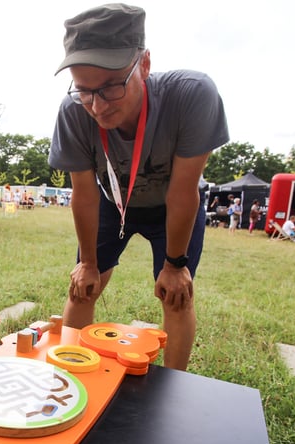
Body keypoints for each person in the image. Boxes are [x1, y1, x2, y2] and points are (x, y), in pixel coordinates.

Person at [50, 4, 229, 371]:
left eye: (111, 87)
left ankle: (174, 388)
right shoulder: (73, 113)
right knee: (83, 286)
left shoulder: (192, 96)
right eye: (84, 91)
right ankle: (67, 377)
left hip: (171, 206)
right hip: (111, 202)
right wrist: (87, 262)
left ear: (143, 65)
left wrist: (176, 264)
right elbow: (83, 193)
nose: (97, 106)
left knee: (177, 295)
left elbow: (183, 191)